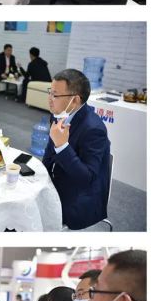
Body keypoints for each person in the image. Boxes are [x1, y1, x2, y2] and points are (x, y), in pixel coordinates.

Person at [42, 69, 110, 229]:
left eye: (55, 95)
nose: (49, 99)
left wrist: (62, 146)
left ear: (75, 100)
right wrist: (40, 178)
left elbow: (87, 178)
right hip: (57, 181)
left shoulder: (94, 129)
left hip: (79, 198)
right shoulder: (59, 113)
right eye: (50, 92)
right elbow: (49, 153)